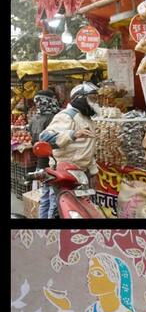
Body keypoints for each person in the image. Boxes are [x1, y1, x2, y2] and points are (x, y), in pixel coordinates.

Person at [39, 82, 100, 218]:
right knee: (59, 208)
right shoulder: (67, 116)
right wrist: (72, 134)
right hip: (64, 174)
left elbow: (88, 148)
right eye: (92, 98)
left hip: (80, 174)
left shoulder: (87, 119)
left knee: (80, 208)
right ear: (80, 98)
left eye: (96, 98)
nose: (95, 102)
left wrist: (94, 172)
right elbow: (45, 137)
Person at [28, 89, 61, 218]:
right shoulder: (53, 119)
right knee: (53, 200)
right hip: (52, 165)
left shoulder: (34, 119)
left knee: (45, 198)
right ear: (49, 101)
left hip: (40, 164)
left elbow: (33, 141)